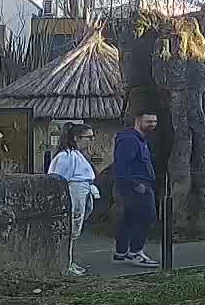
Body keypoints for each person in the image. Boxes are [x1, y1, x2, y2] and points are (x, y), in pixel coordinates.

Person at [48, 123, 101, 276]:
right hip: (74, 190)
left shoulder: (77, 155)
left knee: (75, 228)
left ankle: (69, 261)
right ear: (77, 138)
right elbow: (58, 179)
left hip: (83, 189)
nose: (91, 140)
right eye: (88, 137)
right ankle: (65, 263)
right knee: (70, 228)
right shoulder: (66, 156)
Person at [112, 113, 161, 268]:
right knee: (146, 217)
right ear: (138, 120)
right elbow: (121, 165)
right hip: (137, 185)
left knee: (130, 218)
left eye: (154, 121)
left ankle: (121, 252)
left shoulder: (140, 139)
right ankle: (135, 251)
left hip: (139, 184)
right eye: (149, 121)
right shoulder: (129, 140)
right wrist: (134, 184)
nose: (152, 124)